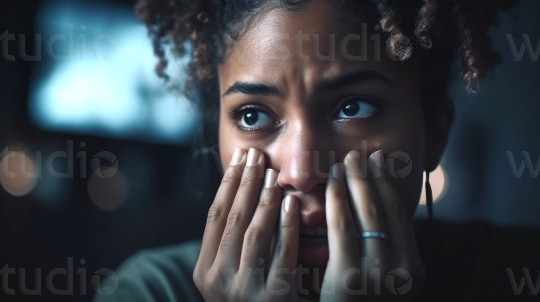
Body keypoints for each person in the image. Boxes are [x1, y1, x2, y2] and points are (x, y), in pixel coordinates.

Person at [94, 0, 539, 301]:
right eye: (252, 116)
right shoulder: (151, 291)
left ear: (435, 135)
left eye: (353, 107)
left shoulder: (515, 275)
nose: (302, 171)